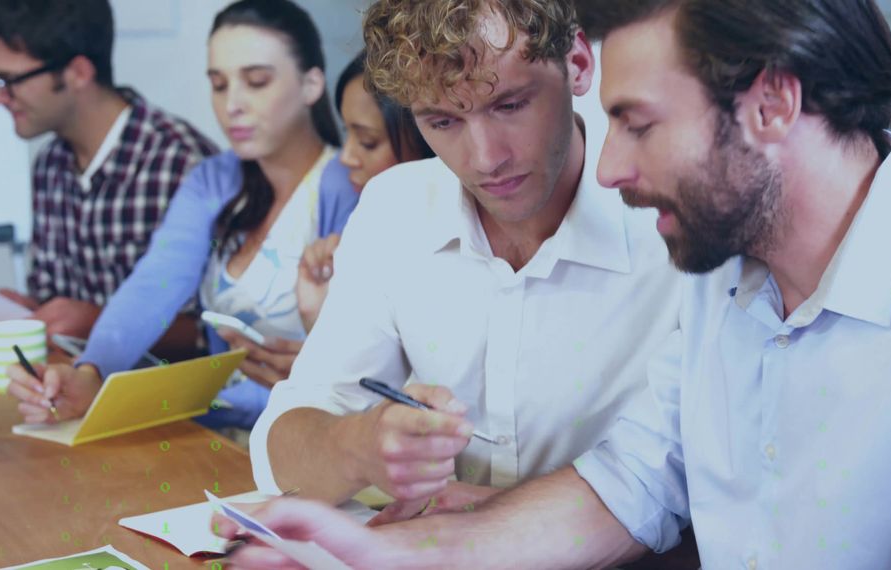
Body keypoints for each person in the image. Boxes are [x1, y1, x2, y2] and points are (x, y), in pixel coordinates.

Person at [217, 0, 891, 568]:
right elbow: (631, 482)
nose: (609, 166)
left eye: (636, 124)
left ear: (774, 104)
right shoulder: (729, 274)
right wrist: (380, 553)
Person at [249, 0, 682, 527]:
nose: (484, 159)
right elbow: (281, 445)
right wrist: (358, 446)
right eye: (443, 120)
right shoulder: (396, 207)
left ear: (578, 64)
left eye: (510, 105)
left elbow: (700, 481)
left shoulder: (674, 214)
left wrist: (506, 522)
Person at [4, 0, 357, 432]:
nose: (233, 104)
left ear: (311, 84)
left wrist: (177, 400)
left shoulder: (346, 185)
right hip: (219, 432)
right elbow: (154, 283)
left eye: (257, 81)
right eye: (219, 84)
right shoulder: (214, 180)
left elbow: (362, 362)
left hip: (311, 433)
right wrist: (89, 374)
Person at [0, 0, 217, 345]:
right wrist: (32, 310)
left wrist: (99, 323)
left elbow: (213, 333)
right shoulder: (50, 165)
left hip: (160, 396)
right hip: (69, 385)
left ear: (79, 73)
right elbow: (53, 296)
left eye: (8, 80)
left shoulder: (181, 164)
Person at [296, 51, 435, 332]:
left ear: (429, 141)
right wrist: (318, 319)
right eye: (348, 134)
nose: (346, 157)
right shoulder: (363, 235)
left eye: (368, 142)